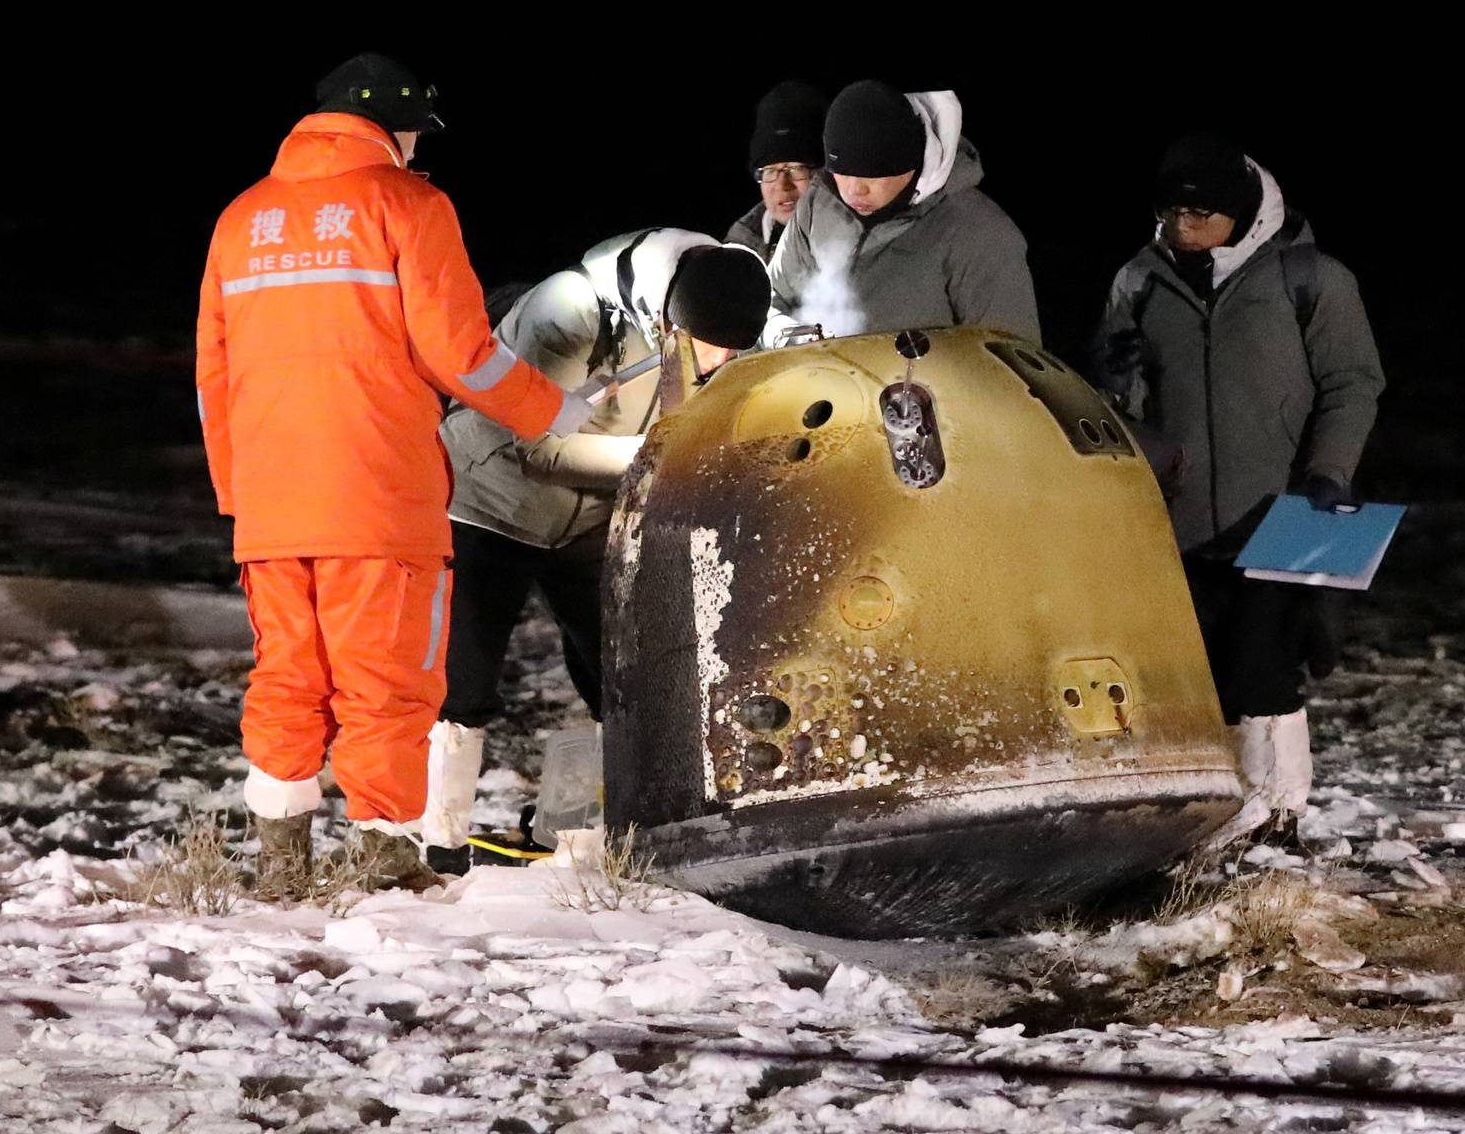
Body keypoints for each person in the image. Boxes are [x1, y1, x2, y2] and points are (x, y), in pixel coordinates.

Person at [196, 52, 593, 895]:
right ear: (395, 126)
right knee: (385, 680)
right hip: (378, 494)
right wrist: (554, 411)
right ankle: (382, 861)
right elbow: (462, 355)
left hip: (272, 505)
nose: (419, 147)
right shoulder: (410, 205)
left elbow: (212, 375)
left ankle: (282, 866)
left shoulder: (242, 219)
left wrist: (241, 494)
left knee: (286, 677)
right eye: (416, 132)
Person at [434, 231, 770, 866]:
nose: (717, 359)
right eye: (709, 345)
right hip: (489, 501)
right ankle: (438, 841)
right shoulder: (569, 310)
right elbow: (537, 446)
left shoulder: (714, 309)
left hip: (589, 515)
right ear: (670, 311)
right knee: (466, 681)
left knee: (608, 677)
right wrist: (661, 456)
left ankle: (569, 832)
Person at [1091, 133, 1383, 847]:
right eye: (1171, 215)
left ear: (1241, 214)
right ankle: (1226, 812)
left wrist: (1330, 470)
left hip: (1288, 502)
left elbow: (1353, 383)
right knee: (1208, 668)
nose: (1183, 230)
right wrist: (1112, 374)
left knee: (1268, 662)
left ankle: (1278, 810)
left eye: (1200, 216)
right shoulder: (1139, 279)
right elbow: (1112, 403)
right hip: (1183, 515)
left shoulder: (1310, 278)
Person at [764, 80, 1039, 343]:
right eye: (843, 172)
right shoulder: (818, 205)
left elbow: (1006, 361)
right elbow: (770, 301)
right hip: (814, 385)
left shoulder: (980, 233)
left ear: (912, 166)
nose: (855, 190)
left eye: (873, 175)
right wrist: (784, 335)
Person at [726, 81, 826, 259]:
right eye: (769, 171)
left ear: (823, 172)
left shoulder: (863, 243)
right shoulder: (741, 247)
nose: (782, 185)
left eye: (795, 169)